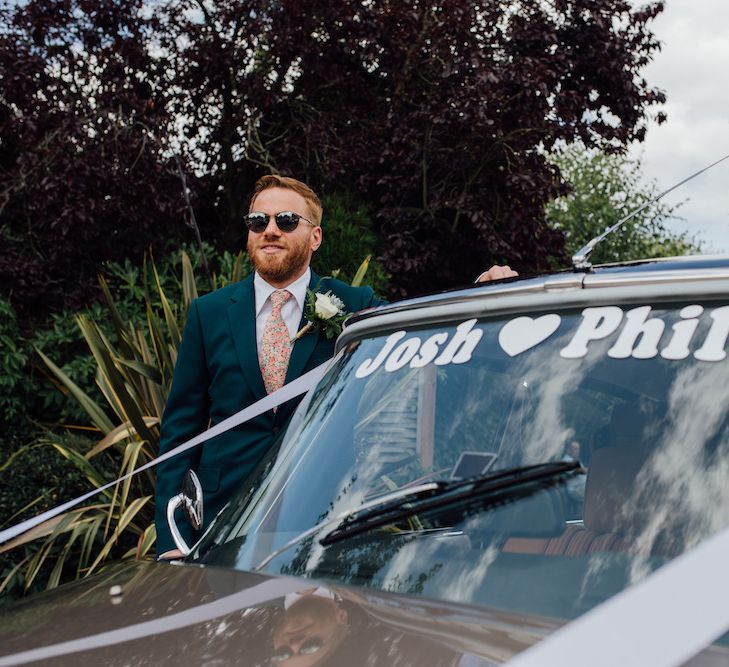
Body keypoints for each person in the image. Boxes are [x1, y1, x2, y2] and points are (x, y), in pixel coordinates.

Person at [155, 175, 518, 558]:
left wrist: (480, 288)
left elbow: (419, 326)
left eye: (286, 221)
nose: (270, 230)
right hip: (219, 520)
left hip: (317, 521)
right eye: (258, 221)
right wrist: (171, 540)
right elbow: (180, 435)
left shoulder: (350, 302)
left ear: (315, 238)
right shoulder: (208, 314)